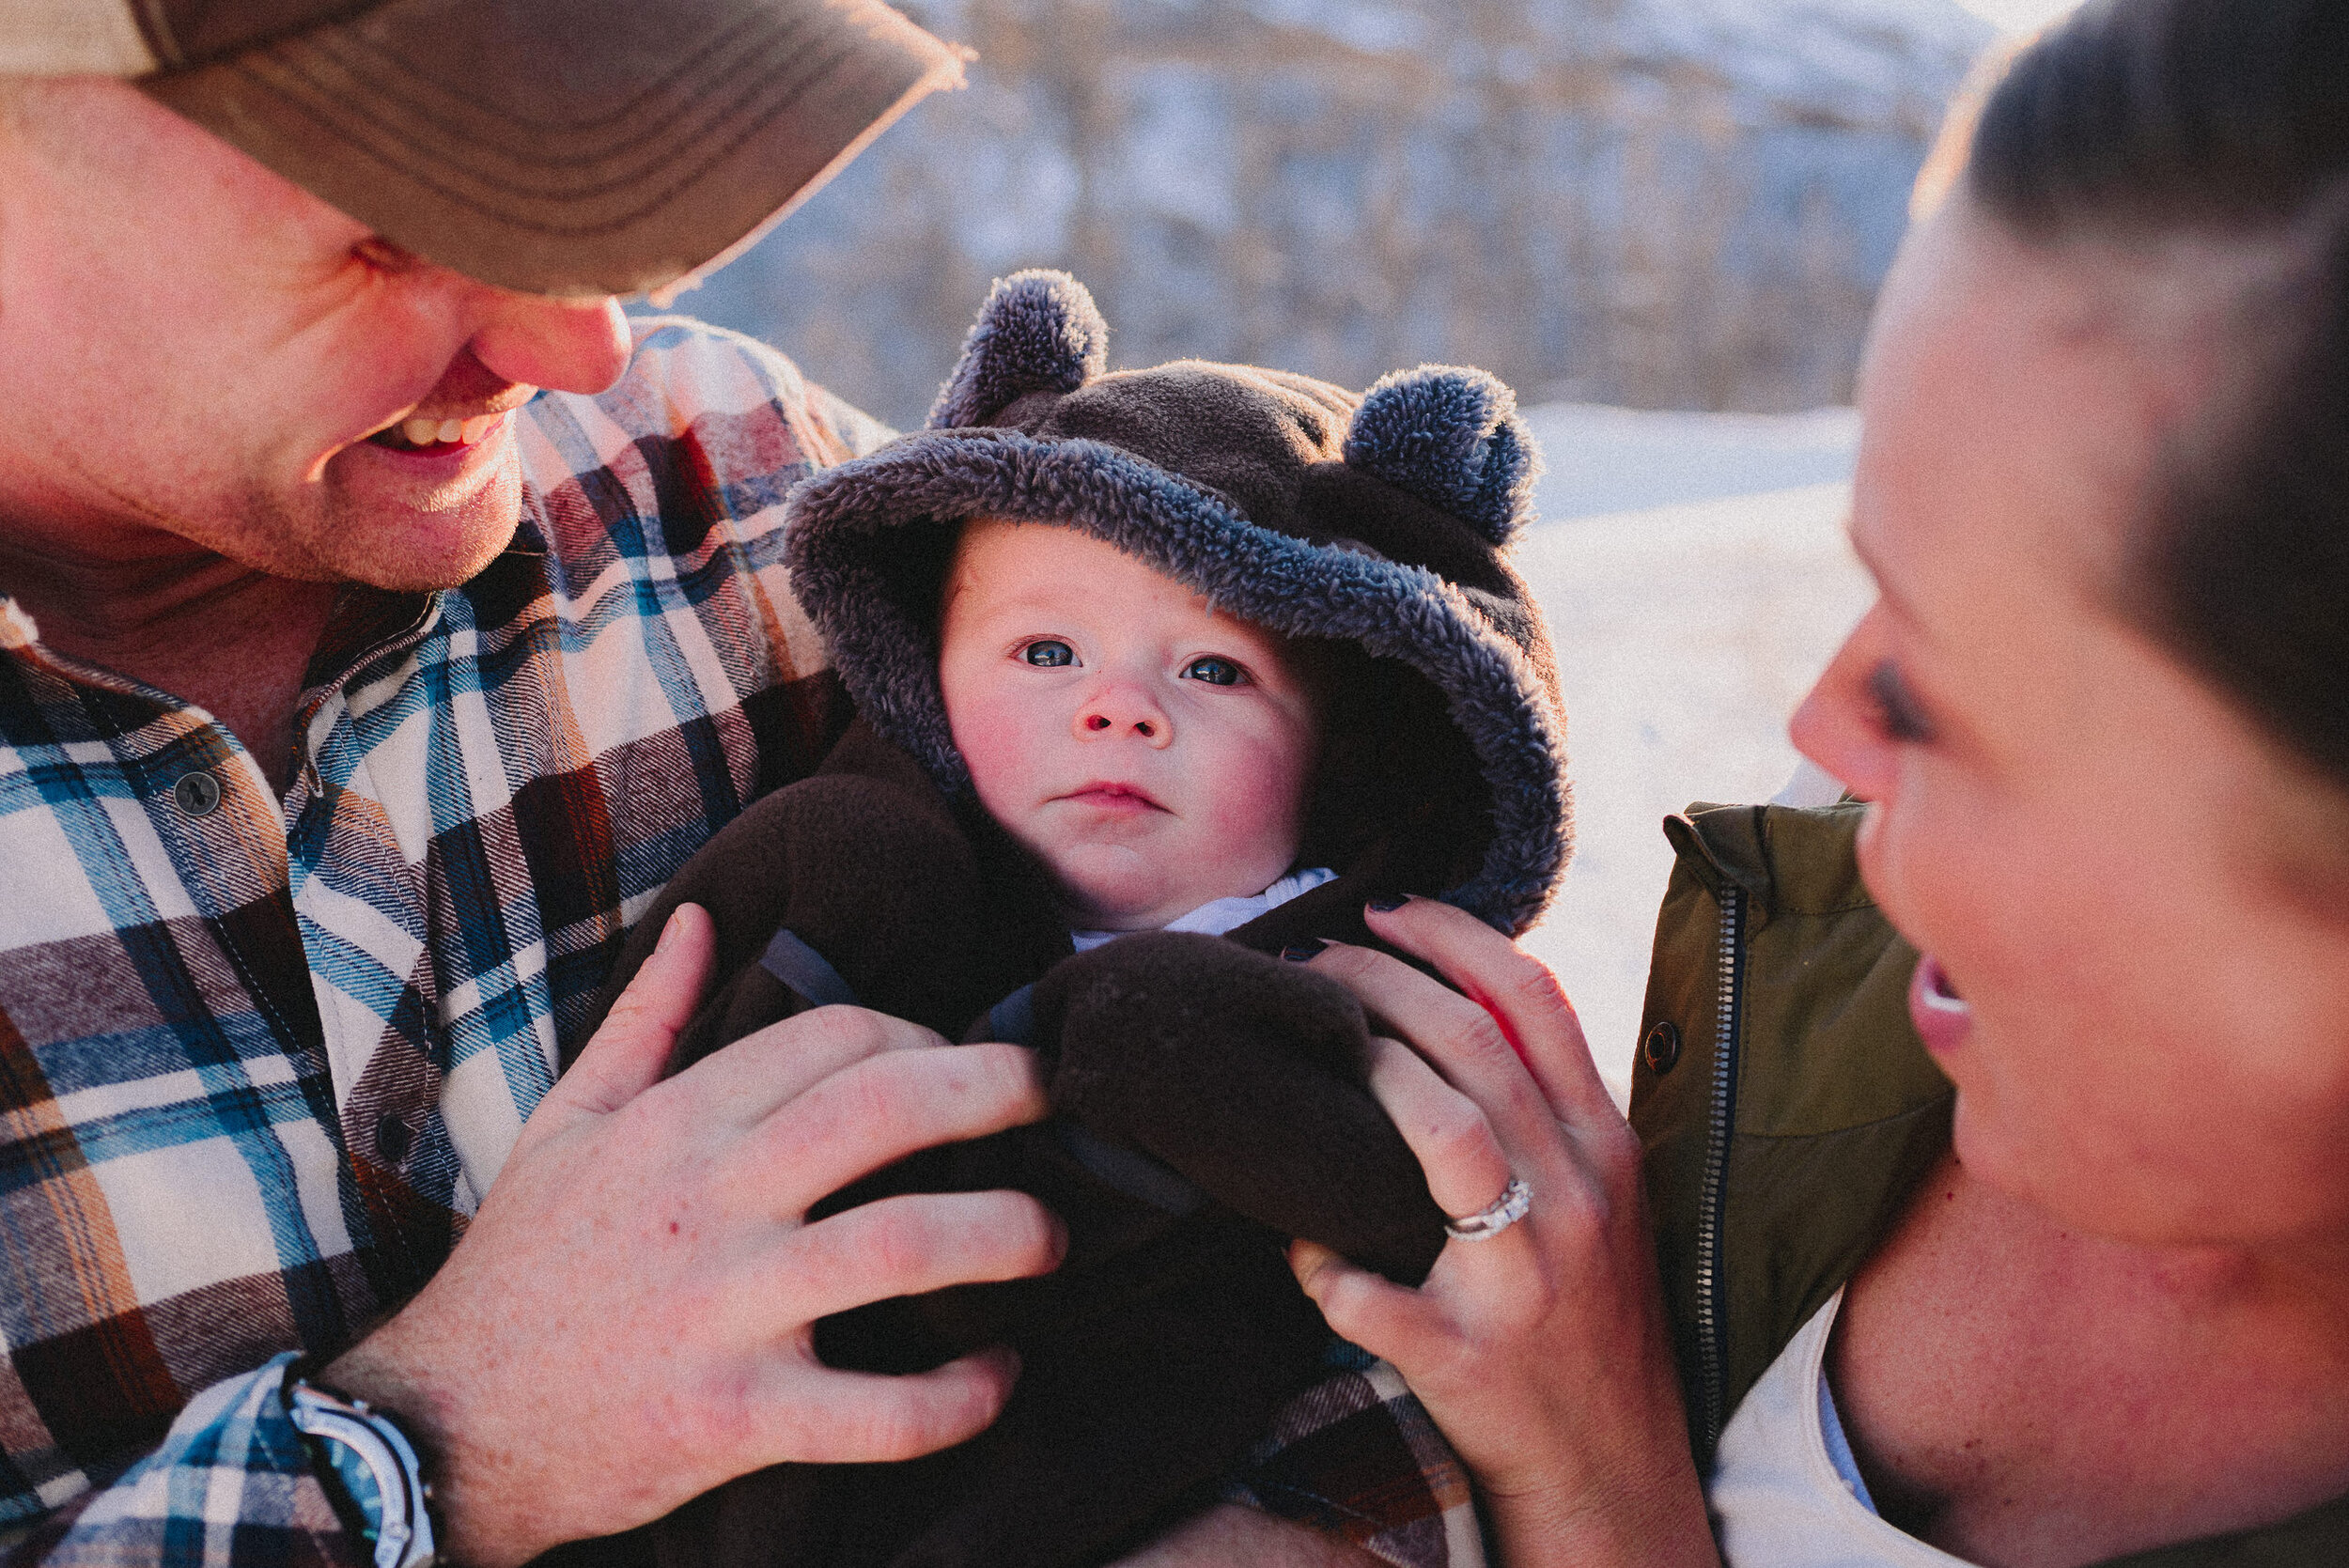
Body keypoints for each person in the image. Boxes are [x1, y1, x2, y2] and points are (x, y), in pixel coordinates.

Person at [0, 7, 1486, 1566]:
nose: (586, 346)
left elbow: (1351, 1259)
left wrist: (1307, 1535)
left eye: (584, 190)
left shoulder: (743, 498)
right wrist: (436, 1449)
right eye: (397, 230)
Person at [1274, 0, 2349, 1563]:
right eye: (1880, 591)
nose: (1827, 727)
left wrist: (1606, 1489)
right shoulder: (1860, 909)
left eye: (1963, 671)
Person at [570, 270, 1568, 1568]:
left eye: (1214, 670)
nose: (1119, 709)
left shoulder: (1367, 979)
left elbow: (1425, 1224)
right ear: (929, 674)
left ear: (1338, 762)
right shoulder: (873, 874)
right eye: (1047, 653)